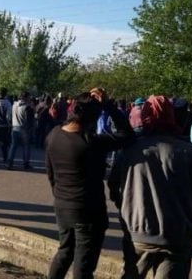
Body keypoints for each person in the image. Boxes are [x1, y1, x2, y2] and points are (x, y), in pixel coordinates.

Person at [109, 95, 192, 279]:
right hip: (178, 235)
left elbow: (114, 186)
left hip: (138, 232)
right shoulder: (190, 152)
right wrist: (191, 222)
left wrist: (128, 212)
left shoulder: (130, 151)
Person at [46, 93, 133, 279]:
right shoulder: (91, 143)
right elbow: (127, 135)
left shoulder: (54, 135)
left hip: (62, 204)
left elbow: (51, 174)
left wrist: (61, 194)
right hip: (88, 210)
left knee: (64, 252)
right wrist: (109, 107)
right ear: (93, 118)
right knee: (83, 265)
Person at [8, 92, 35, 170]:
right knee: (26, 147)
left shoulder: (14, 105)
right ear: (26, 98)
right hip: (24, 129)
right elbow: (29, 120)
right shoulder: (27, 107)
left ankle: (10, 163)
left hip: (14, 127)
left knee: (13, 146)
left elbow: (9, 116)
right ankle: (26, 163)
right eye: (29, 97)